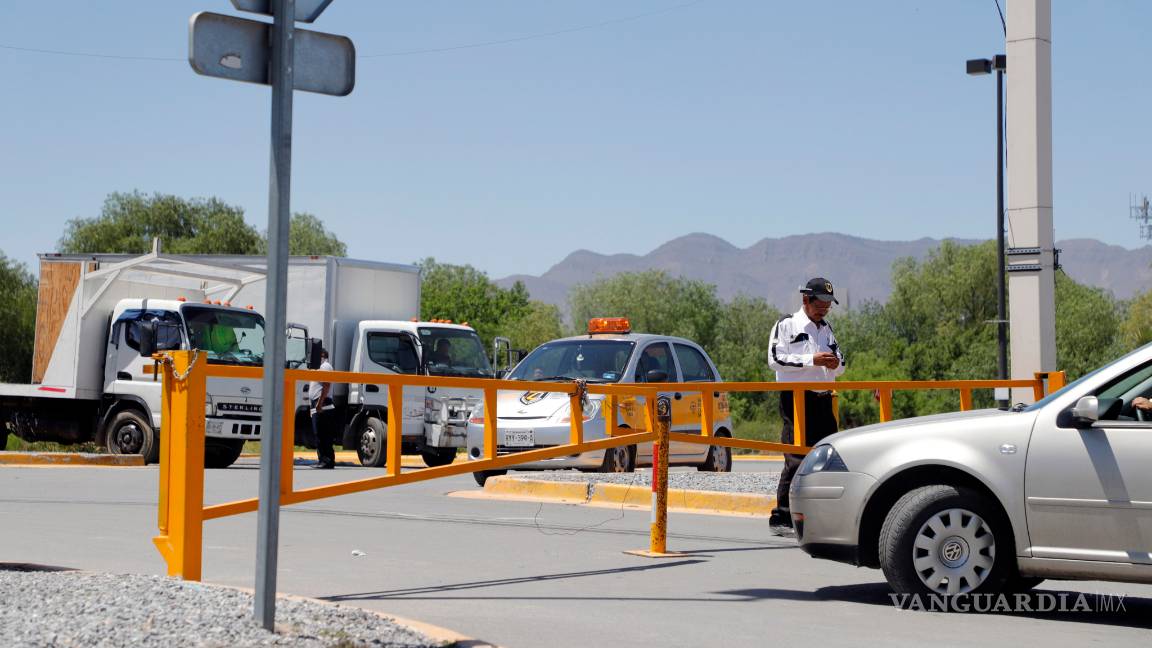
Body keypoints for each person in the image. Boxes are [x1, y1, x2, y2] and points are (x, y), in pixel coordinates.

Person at [767, 277, 846, 536]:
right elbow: (775, 358)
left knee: (827, 456)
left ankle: (818, 514)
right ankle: (781, 516)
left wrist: (836, 364)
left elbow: (842, 362)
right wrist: (811, 359)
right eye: (820, 302)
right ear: (805, 300)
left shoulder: (826, 329)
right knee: (796, 457)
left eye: (828, 304)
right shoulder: (786, 324)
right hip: (796, 399)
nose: (824, 308)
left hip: (824, 400)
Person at [308, 349, 336, 469]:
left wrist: (319, 404)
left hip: (323, 404)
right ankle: (323, 459)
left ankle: (327, 460)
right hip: (317, 404)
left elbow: (326, 385)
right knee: (318, 433)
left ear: (322, 355)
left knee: (323, 434)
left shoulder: (325, 366)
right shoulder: (318, 367)